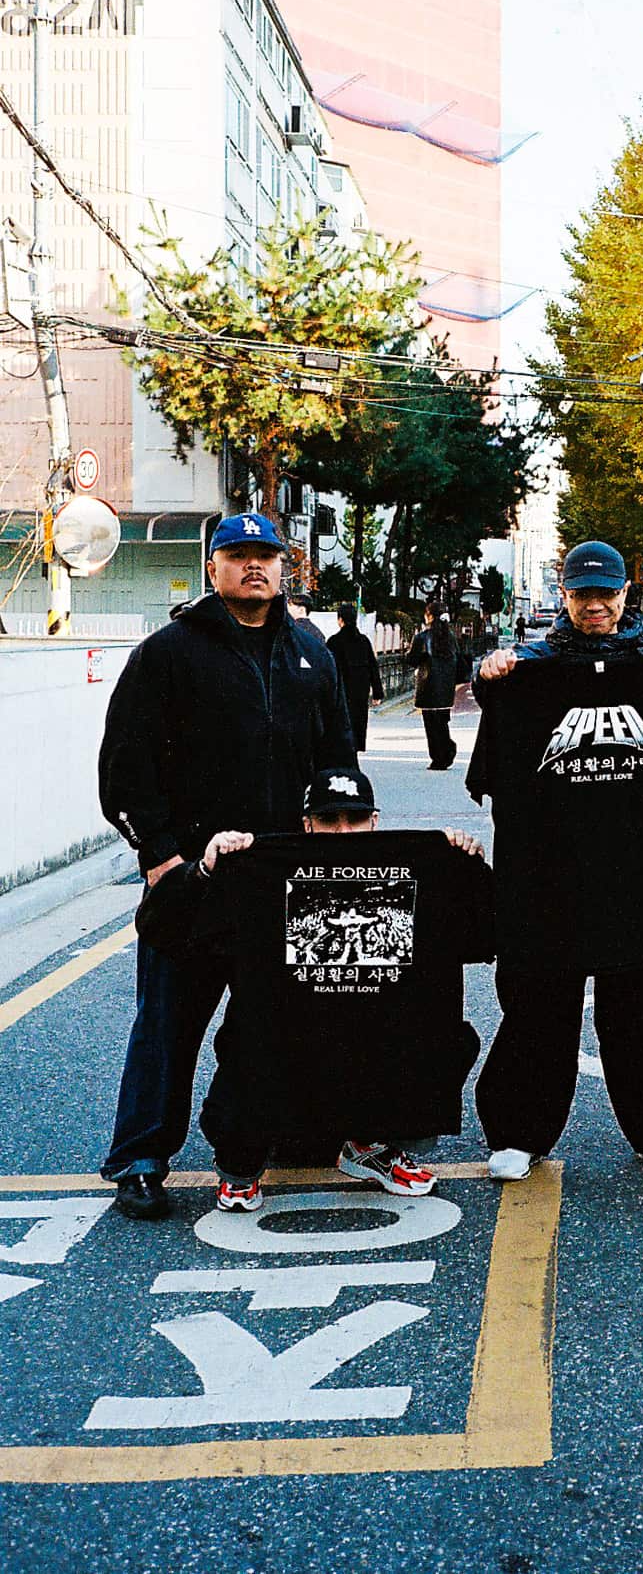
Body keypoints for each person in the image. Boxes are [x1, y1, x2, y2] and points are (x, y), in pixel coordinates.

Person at [97, 512, 357, 1221]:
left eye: (265, 556)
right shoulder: (170, 652)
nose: (254, 567)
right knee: (169, 1021)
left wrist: (340, 838)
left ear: (283, 567)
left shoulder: (311, 651)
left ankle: (283, 1134)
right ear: (212, 567)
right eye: (238, 555)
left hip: (286, 878)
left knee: (278, 1018)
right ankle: (142, 1158)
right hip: (196, 878)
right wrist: (162, 858)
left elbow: (337, 755)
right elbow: (125, 768)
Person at [469, 539, 643, 1182]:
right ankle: (518, 1132)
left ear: (625, 594)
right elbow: (488, 774)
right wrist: (494, 680)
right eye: (581, 594)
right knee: (536, 1006)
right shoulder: (526, 677)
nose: (594, 604)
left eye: (606, 593)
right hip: (548, 877)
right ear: (563, 596)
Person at [135, 768, 488, 1212]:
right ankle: (240, 1166)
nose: (343, 832)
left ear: (375, 822)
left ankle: (371, 1145)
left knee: (446, 1040)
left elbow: (486, 935)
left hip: (369, 1037)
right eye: (329, 821)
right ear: (307, 826)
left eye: (354, 820)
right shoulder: (262, 868)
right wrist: (207, 869)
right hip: (287, 1041)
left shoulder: (422, 865)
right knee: (249, 1051)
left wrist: (468, 864)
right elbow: (161, 929)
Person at [408, 604, 467, 771]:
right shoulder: (450, 637)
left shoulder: (422, 637)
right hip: (446, 687)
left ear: (429, 616)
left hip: (428, 686)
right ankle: (445, 752)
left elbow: (412, 660)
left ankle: (439, 757)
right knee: (442, 722)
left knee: (431, 724)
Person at [327, 602, 384, 752]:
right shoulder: (363, 641)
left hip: (340, 690)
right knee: (358, 721)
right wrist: (377, 692)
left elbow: (328, 669)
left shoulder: (334, 642)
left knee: (341, 724)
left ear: (340, 620)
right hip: (360, 689)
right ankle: (356, 748)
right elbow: (373, 667)